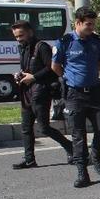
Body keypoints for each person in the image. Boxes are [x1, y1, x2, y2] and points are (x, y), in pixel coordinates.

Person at [51, 6, 100, 188]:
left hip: (95, 93)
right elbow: (55, 66)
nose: (92, 27)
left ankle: (96, 154)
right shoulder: (65, 42)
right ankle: (82, 172)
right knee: (78, 135)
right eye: (88, 24)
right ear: (78, 23)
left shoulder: (96, 41)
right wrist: (70, 78)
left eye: (93, 24)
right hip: (74, 94)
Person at [11, 19, 73, 169]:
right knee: (26, 128)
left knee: (44, 127)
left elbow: (52, 69)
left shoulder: (42, 47)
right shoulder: (23, 48)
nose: (18, 39)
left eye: (21, 35)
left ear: (30, 32)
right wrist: (20, 75)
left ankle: (70, 147)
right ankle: (29, 160)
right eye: (16, 37)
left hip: (41, 93)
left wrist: (34, 77)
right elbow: (27, 68)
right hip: (26, 93)